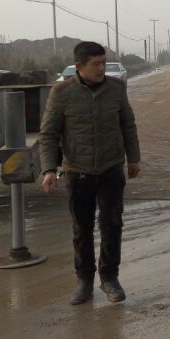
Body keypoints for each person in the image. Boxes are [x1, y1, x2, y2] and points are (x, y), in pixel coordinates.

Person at [39, 41, 141, 305]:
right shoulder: (61, 93)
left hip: (110, 168)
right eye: (95, 64)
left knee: (112, 225)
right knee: (81, 229)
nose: (101, 68)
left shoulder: (116, 88)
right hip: (77, 172)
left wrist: (134, 158)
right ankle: (84, 281)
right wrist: (49, 169)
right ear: (79, 67)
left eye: (103, 62)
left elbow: (128, 124)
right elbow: (49, 134)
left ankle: (110, 278)